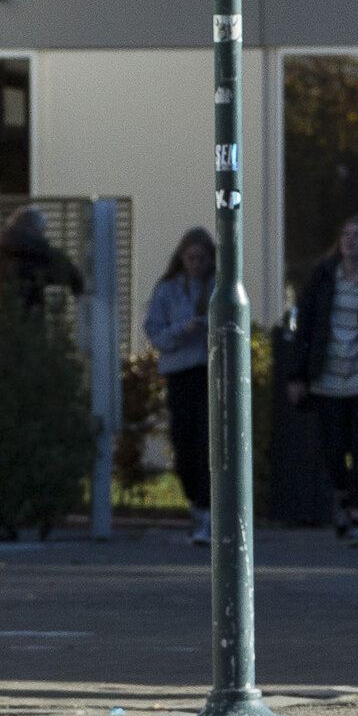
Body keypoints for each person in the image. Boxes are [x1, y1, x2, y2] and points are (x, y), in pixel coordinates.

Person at [283, 215, 358, 544]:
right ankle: (340, 494)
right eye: (345, 234)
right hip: (327, 375)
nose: (350, 240)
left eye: (357, 235)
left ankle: (355, 516)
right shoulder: (322, 278)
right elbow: (304, 328)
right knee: (333, 447)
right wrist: (297, 374)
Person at [143, 228, 220, 548]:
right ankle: (196, 503)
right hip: (180, 372)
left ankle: (206, 511)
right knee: (184, 442)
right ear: (181, 258)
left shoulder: (219, 287)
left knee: (208, 443)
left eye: (202, 259)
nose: (196, 265)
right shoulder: (168, 290)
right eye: (190, 258)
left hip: (212, 372)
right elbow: (155, 333)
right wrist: (182, 329)